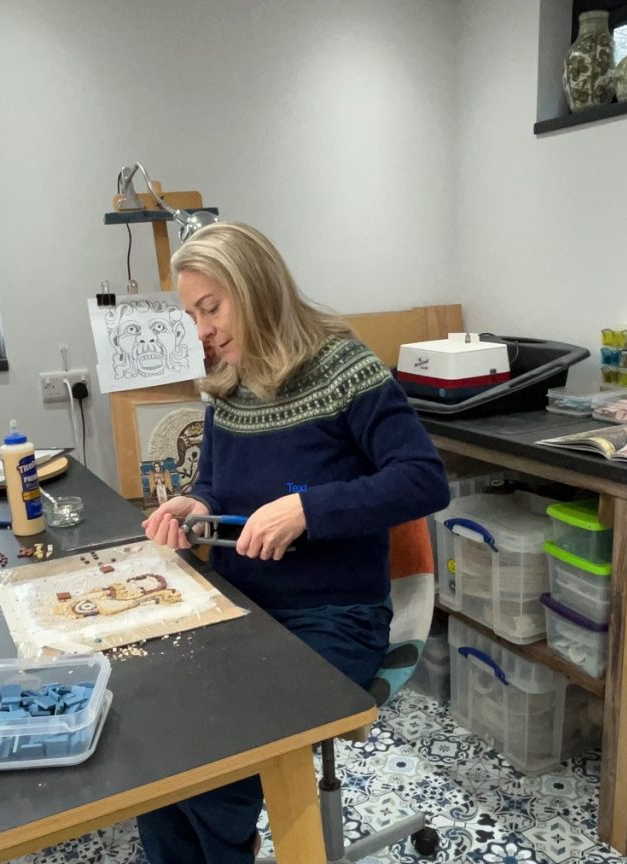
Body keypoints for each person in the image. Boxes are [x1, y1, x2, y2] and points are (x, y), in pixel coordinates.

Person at [138, 222, 450, 864]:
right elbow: (216, 487)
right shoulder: (229, 385)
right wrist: (195, 505)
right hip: (245, 613)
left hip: (337, 618)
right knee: (157, 743)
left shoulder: (344, 368)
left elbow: (423, 479)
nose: (202, 330)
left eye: (211, 307)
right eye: (192, 314)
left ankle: (230, 840)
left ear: (254, 289)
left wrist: (310, 509)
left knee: (220, 761)